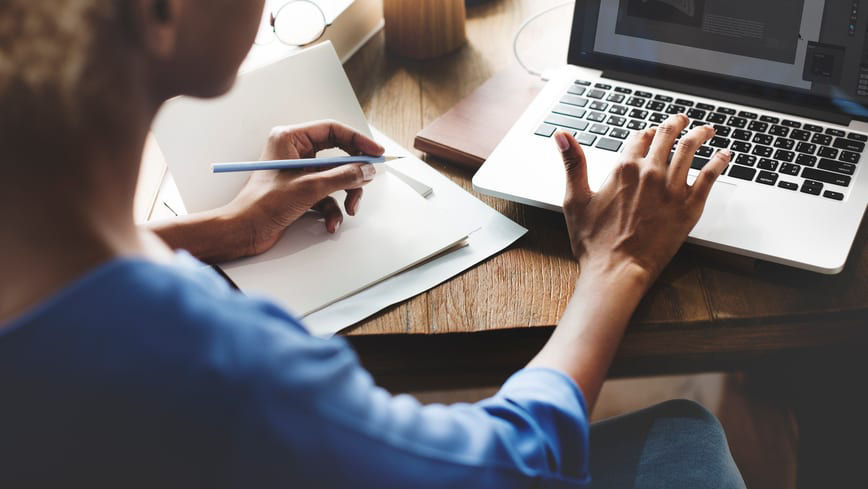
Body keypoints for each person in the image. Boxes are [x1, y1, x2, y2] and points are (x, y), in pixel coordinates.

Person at [0, 1, 745, 488]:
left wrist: (214, 230)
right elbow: (508, 464)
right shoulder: (218, 371)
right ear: (160, 13)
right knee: (687, 438)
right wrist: (618, 265)